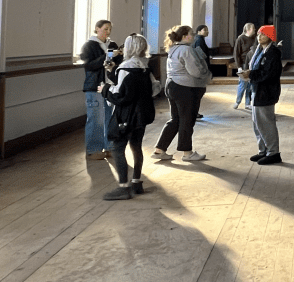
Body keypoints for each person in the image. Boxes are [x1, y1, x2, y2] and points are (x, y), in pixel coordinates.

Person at [99, 34, 160, 200]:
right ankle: (136, 182)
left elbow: (120, 95)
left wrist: (104, 90)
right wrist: (113, 72)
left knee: (117, 147)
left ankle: (123, 187)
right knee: (136, 146)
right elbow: (155, 89)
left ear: (130, 47)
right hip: (143, 114)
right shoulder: (145, 67)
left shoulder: (125, 67)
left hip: (127, 115)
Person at [151, 25, 210, 162]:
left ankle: (160, 150)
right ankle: (187, 153)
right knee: (187, 120)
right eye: (191, 34)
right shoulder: (186, 50)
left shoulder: (173, 48)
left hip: (172, 86)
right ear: (185, 36)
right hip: (184, 88)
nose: (193, 36)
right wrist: (205, 73)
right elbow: (194, 71)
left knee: (176, 119)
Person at [80, 19, 121, 160]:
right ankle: (93, 149)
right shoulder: (89, 45)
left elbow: (119, 64)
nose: (108, 32)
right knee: (96, 119)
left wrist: (117, 58)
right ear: (97, 29)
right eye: (105, 29)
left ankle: (109, 146)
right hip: (95, 86)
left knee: (110, 118)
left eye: (110, 29)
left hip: (110, 87)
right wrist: (108, 55)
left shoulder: (113, 45)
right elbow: (89, 65)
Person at [243, 25, 283, 164]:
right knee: (257, 123)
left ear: (270, 36)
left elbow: (269, 73)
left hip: (266, 91)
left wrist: (250, 74)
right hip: (256, 89)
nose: (259, 37)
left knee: (266, 123)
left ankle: (273, 153)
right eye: (259, 34)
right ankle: (263, 150)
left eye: (263, 34)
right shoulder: (260, 50)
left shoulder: (273, 52)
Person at [233, 23, 257, 110]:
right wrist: (239, 66)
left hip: (252, 63)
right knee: (242, 84)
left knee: (250, 85)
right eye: (253, 29)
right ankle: (237, 102)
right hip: (243, 64)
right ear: (248, 30)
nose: (254, 30)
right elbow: (236, 54)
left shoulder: (254, 39)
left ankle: (247, 103)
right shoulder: (240, 39)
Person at [193, 25, 211, 119]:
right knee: (198, 92)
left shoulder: (199, 39)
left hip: (200, 68)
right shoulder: (199, 40)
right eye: (205, 30)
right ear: (199, 31)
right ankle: (194, 113)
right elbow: (200, 55)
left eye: (207, 30)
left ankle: (194, 112)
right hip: (200, 69)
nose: (207, 32)